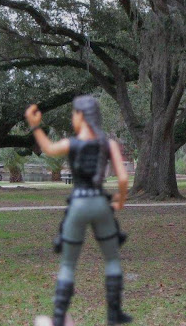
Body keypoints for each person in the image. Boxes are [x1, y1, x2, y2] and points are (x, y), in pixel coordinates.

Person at [26, 95, 133, 326]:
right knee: (112, 259)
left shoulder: (71, 144)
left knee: (68, 264)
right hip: (100, 203)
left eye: (74, 114)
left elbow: (48, 148)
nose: (73, 118)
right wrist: (120, 200)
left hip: (78, 204)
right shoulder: (107, 144)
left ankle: (58, 318)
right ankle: (114, 315)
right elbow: (123, 178)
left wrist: (35, 126)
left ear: (81, 116)